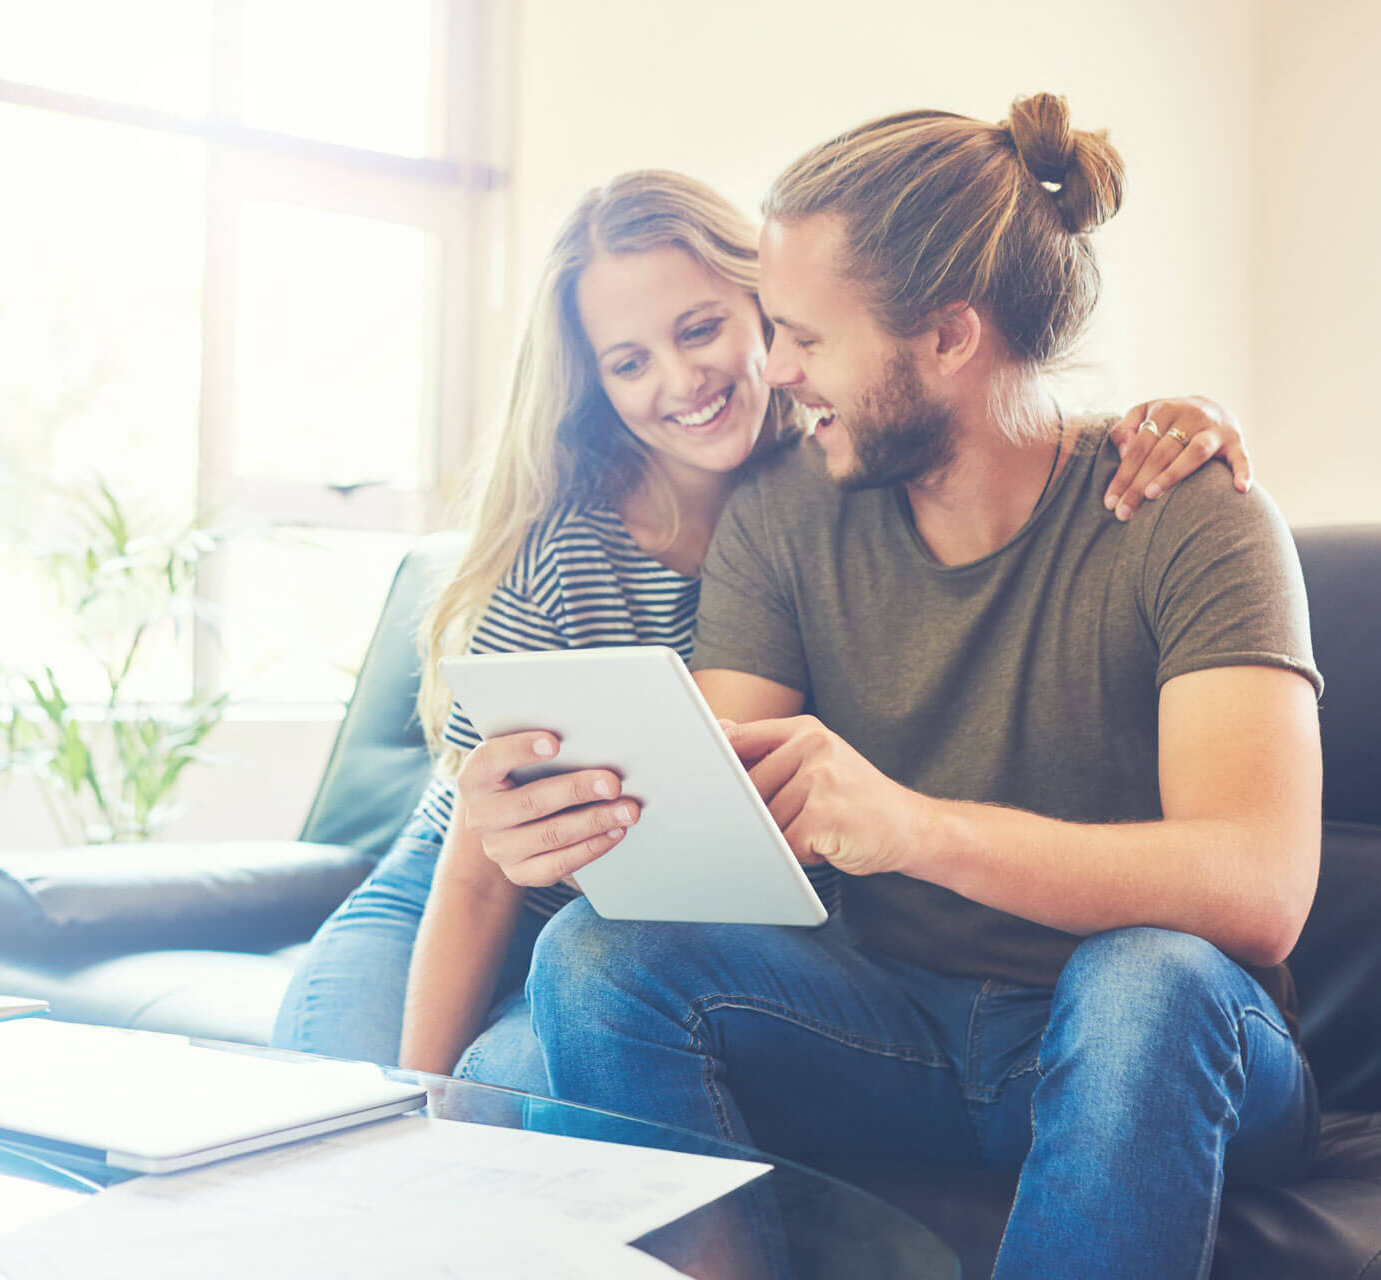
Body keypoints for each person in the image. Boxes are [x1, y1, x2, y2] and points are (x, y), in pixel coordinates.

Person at [494, 96, 1319, 1279]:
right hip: (891, 1026)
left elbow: (1256, 890)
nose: (773, 371)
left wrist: (917, 829)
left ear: (945, 336)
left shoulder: (1190, 516)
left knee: (1145, 976)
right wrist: (555, 820)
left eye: (806, 339)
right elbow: (704, 825)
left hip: (1167, 1040)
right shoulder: (782, 516)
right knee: (595, 955)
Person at [270, 166, 1257, 1085]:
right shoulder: (565, 557)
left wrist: (1187, 413)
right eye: (628, 361)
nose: (679, 379)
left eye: (700, 329)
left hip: (643, 932)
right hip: (473, 894)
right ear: (598, 385)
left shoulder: (848, 465)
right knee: (338, 1132)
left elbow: (992, 432)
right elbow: (476, 877)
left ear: (768, 312)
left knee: (531, 1067)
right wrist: (418, 1103)